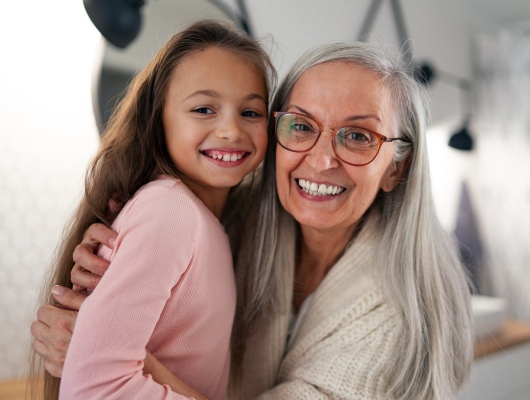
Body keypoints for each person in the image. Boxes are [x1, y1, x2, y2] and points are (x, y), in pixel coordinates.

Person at [31, 41, 472, 399]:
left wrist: (113, 356)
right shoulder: (223, 222)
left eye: (357, 136)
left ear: (396, 168)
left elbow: (102, 371)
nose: (320, 160)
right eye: (300, 126)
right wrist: (111, 245)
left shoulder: (396, 315)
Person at [29, 20, 276, 400]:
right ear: (158, 119)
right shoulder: (170, 210)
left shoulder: (206, 222)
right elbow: (95, 386)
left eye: (250, 113)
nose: (231, 130)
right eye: (204, 108)